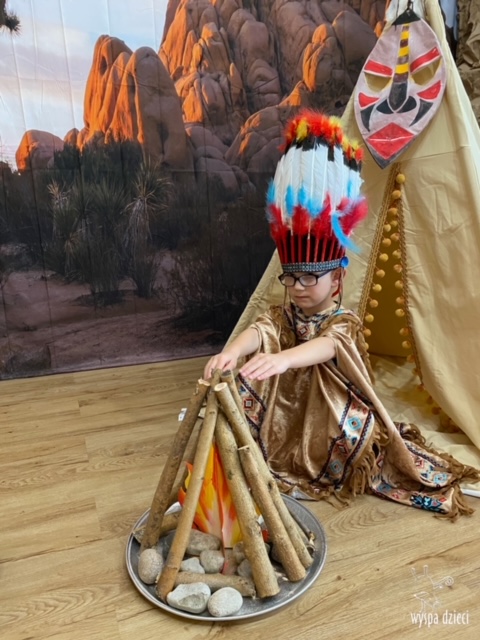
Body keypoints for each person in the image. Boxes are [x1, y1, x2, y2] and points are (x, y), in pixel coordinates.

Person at [204, 109, 479, 519]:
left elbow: (328, 346)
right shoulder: (286, 312)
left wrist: (284, 359)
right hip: (288, 408)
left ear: (336, 278)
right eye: (290, 277)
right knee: (243, 388)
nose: (297, 287)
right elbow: (262, 328)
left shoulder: (342, 320)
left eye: (308, 278)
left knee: (350, 439)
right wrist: (232, 351)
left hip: (330, 409)